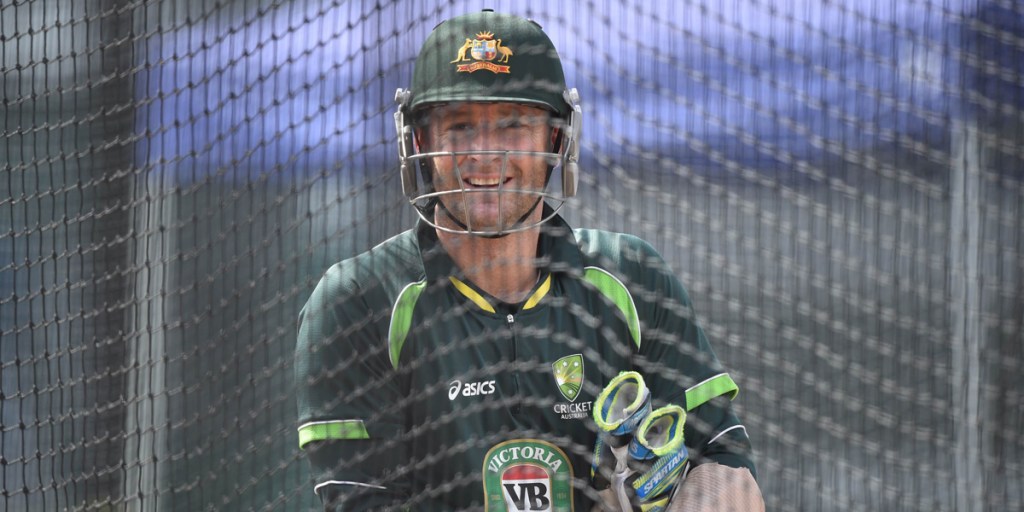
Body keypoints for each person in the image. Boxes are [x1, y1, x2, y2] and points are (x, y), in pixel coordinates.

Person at [294, 9, 764, 511]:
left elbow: (730, 470)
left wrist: (702, 494)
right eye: (459, 127)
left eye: (513, 125)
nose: (485, 153)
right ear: (421, 144)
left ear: (556, 140)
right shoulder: (359, 300)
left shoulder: (632, 278)